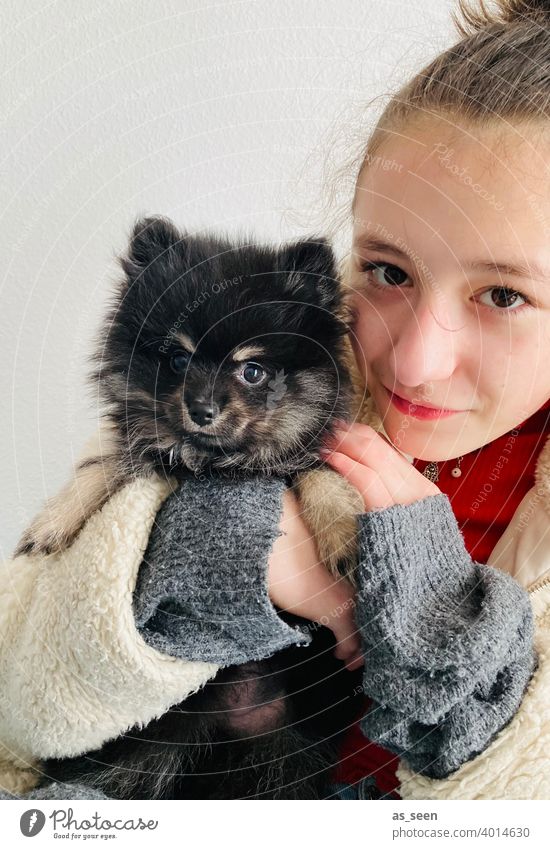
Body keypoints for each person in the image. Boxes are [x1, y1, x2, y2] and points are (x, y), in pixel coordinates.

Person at [1, 0, 550, 802]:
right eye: (389, 272)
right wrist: (219, 557)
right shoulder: (262, 386)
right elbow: (22, 704)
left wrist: (431, 609)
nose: (416, 359)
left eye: (502, 294)